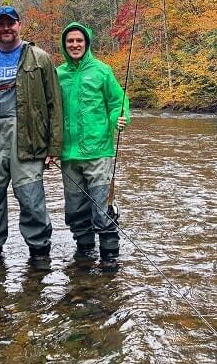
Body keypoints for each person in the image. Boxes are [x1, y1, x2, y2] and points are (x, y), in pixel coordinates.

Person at [0, 5, 62, 268]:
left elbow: (54, 104)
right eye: (0, 24)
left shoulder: (40, 58)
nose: (6, 28)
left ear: (19, 25)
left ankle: (39, 250)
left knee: (31, 198)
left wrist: (53, 145)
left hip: (29, 139)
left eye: (10, 23)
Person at [56, 22, 129, 265]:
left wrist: (118, 118)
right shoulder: (58, 74)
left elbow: (117, 101)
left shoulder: (102, 71)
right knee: (75, 208)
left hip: (99, 151)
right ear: (64, 46)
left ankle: (109, 255)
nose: (74, 45)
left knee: (101, 206)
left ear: (86, 43)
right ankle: (85, 252)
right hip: (68, 154)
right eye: (70, 41)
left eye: (79, 41)